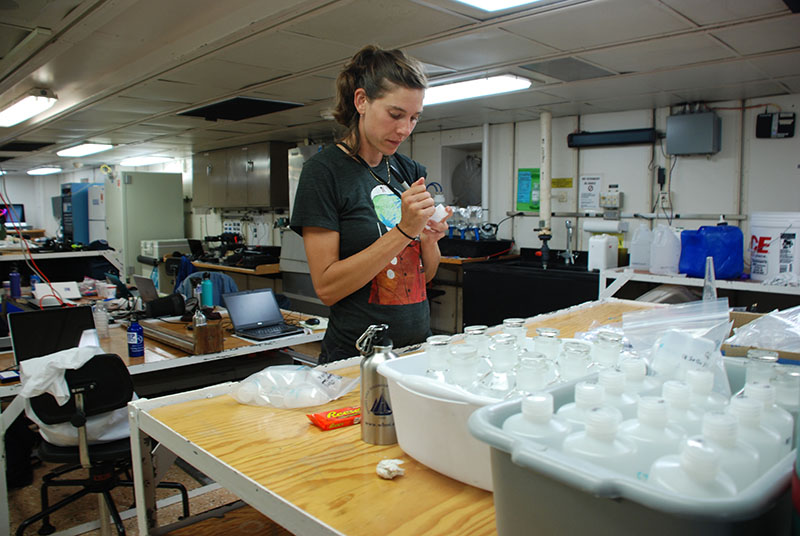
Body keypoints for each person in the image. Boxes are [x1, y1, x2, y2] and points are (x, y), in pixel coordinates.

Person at [290, 45, 451, 363]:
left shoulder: (407, 170)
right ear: (361, 101)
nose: (405, 129)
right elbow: (327, 287)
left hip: (414, 353)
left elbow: (424, 276)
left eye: (414, 118)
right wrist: (405, 230)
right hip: (356, 358)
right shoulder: (324, 173)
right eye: (395, 115)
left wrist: (429, 240)